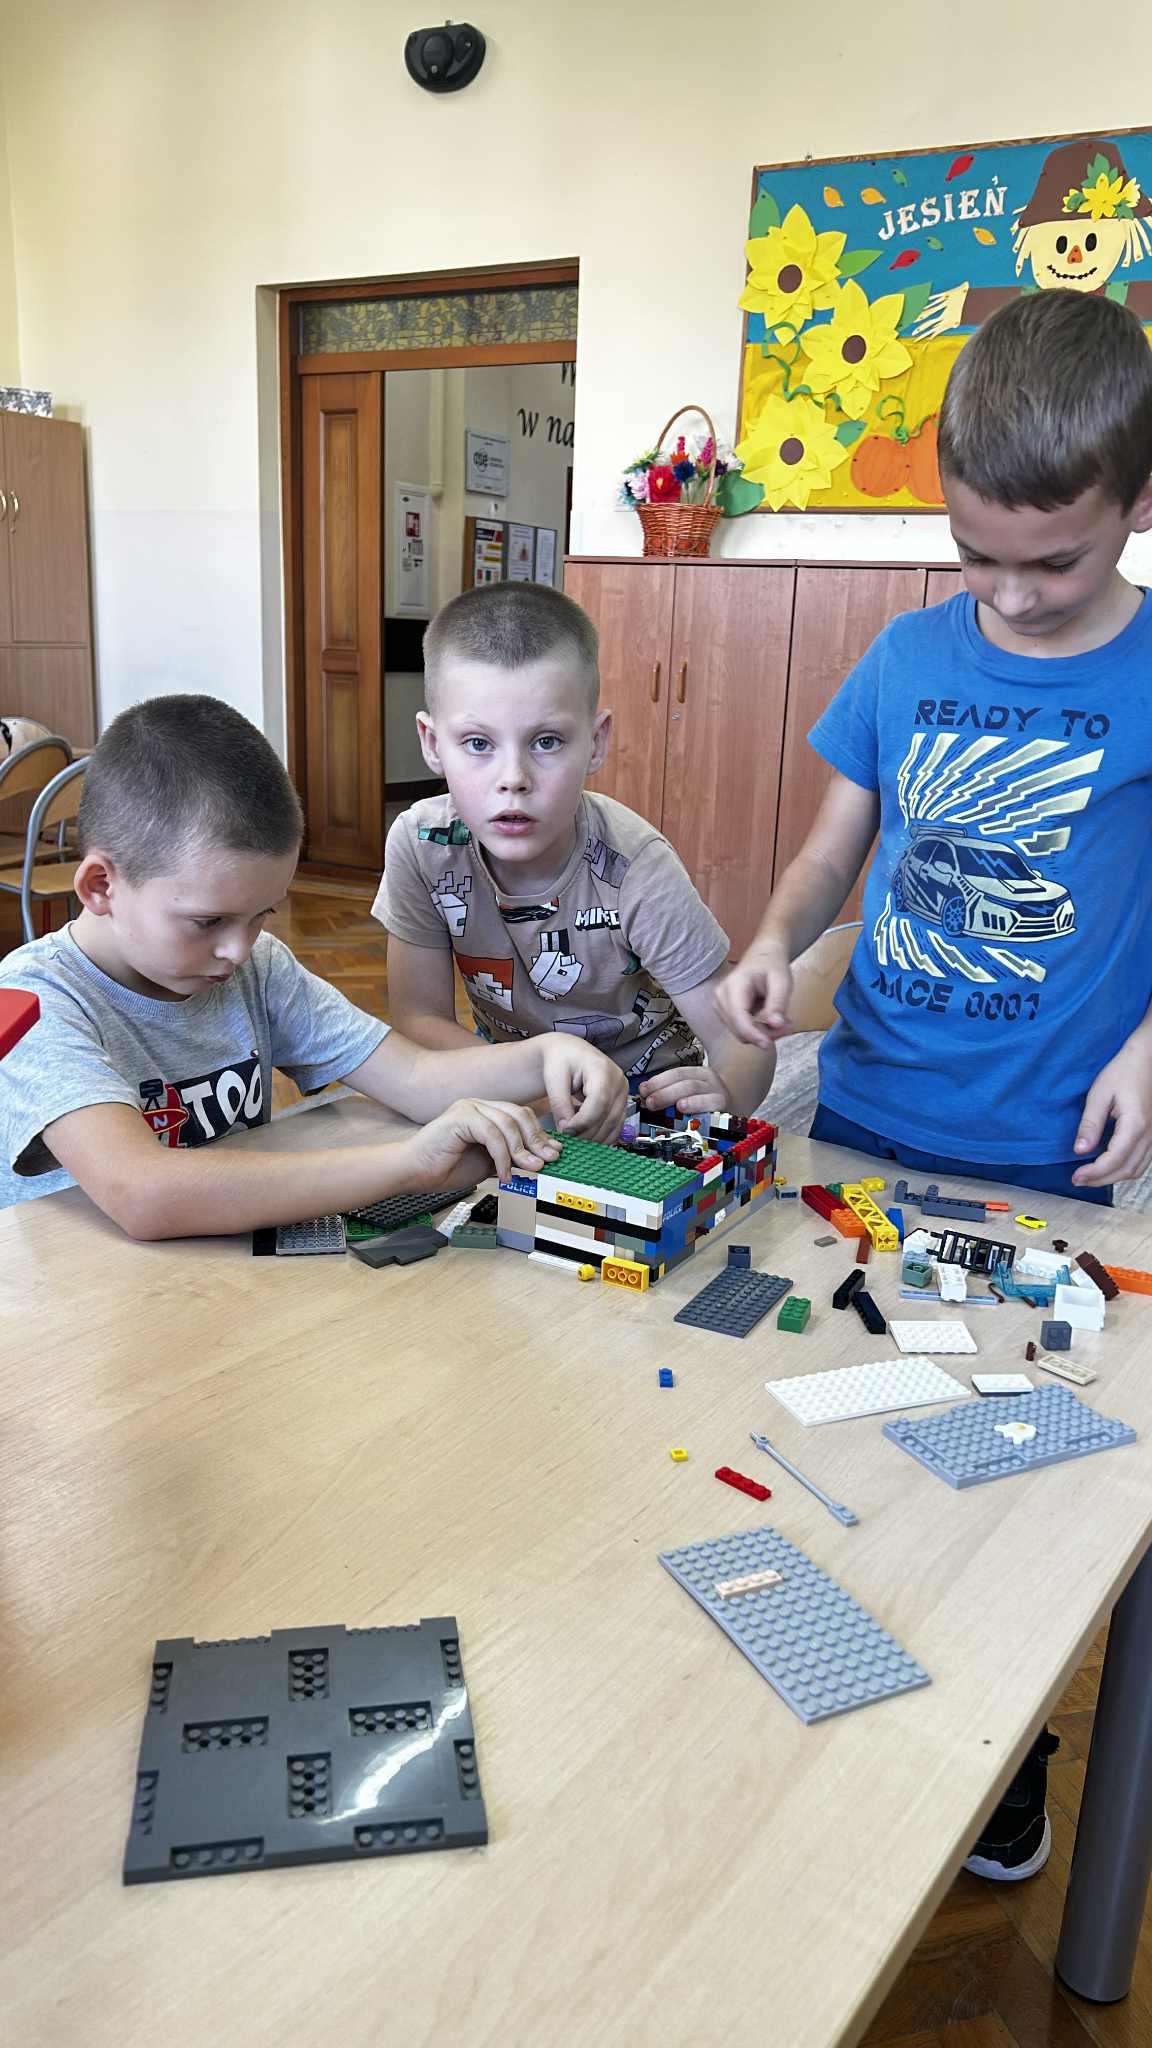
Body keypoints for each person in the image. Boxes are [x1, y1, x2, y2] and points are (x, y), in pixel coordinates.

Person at [720, 288, 1152, 1211]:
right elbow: (829, 855)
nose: (1013, 597)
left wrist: (1148, 1052)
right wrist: (773, 943)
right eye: (976, 555)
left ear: (1143, 499)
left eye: (1055, 563)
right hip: (866, 1096)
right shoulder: (905, 654)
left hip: (1052, 1126)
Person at [0, 695, 627, 1232]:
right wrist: (410, 1163)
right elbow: (144, 1194)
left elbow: (413, 1076)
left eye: (262, 914)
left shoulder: (257, 967)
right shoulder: (34, 1003)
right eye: (208, 922)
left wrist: (547, 1056)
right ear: (101, 887)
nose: (238, 949)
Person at [374, 580, 774, 1119]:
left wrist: (728, 1094)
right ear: (432, 744)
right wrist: (538, 1094)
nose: (513, 778)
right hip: (513, 1096)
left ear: (596, 742)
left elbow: (742, 1041)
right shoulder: (421, 845)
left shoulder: (637, 868)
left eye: (547, 741)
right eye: (478, 743)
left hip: (645, 1109)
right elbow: (419, 1020)